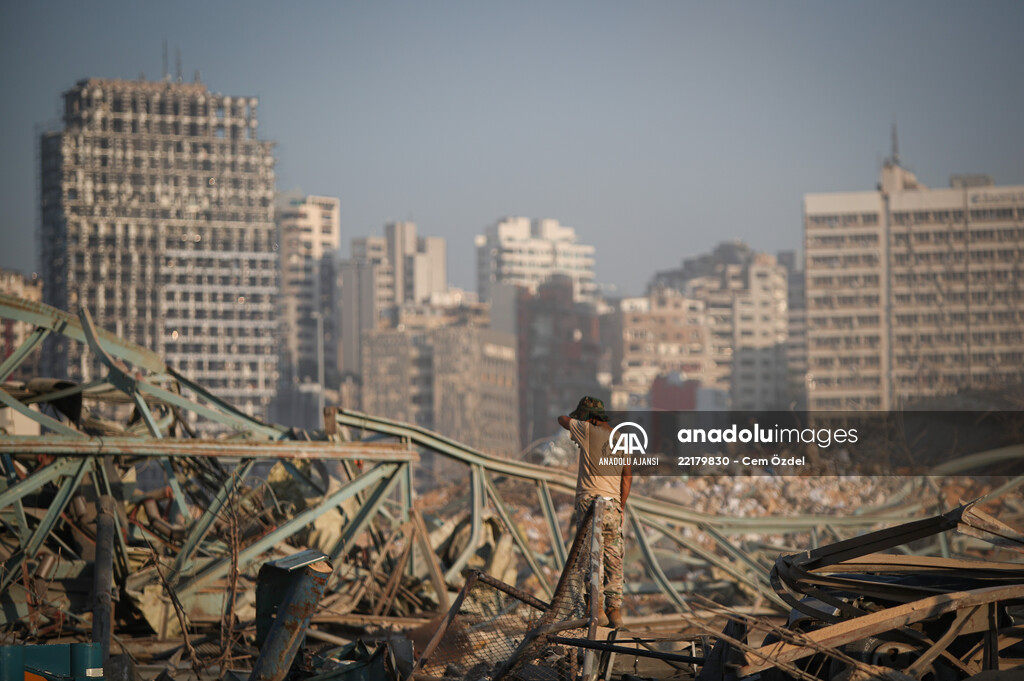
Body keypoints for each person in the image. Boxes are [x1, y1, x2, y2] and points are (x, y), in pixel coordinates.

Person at [558, 396, 631, 628]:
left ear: (589, 417)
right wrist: (621, 506)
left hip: (591, 502)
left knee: (592, 555)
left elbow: (561, 419)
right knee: (613, 558)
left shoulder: (587, 430)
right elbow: (627, 476)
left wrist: (578, 421)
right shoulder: (621, 439)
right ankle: (615, 612)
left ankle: (595, 609)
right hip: (613, 505)